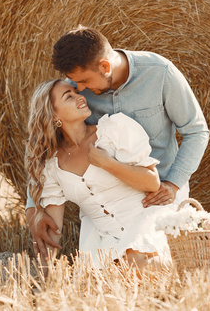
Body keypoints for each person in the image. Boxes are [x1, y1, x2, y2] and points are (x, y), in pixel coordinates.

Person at [26, 26, 209, 257]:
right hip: (107, 196)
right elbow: (45, 141)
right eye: (74, 86)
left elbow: (196, 131)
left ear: (105, 66)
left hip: (159, 190)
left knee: (138, 260)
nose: (79, 90)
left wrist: (173, 184)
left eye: (83, 82)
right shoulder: (78, 85)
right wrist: (33, 208)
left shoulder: (160, 73)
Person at [25, 78, 173, 270]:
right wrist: (46, 273)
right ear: (54, 116)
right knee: (104, 279)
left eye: (76, 92)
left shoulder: (113, 129)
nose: (80, 97)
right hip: (104, 239)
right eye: (69, 96)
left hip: (143, 220)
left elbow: (152, 183)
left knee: (135, 263)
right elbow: (54, 229)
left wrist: (107, 163)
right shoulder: (52, 166)